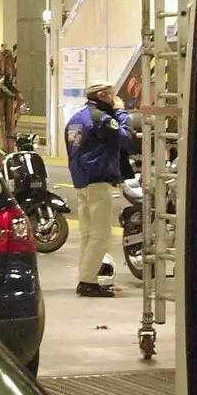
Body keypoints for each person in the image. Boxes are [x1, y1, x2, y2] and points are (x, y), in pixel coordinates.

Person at [65, 81, 134, 298]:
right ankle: (87, 281)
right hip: (99, 180)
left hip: (82, 181)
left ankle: (86, 277)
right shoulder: (101, 119)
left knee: (87, 234)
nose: (114, 98)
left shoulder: (76, 119)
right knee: (101, 234)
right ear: (103, 95)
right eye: (112, 95)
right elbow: (126, 139)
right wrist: (121, 113)